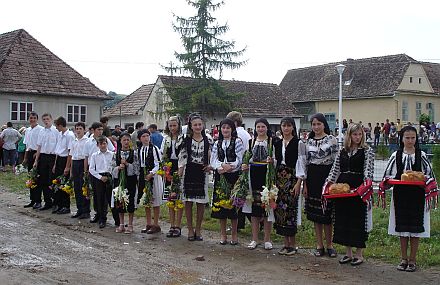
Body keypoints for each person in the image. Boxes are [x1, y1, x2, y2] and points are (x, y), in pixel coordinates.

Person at [379, 126, 437, 272]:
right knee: (403, 229)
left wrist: (424, 180)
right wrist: (388, 182)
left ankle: (413, 260)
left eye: (413, 138)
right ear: (402, 139)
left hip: (417, 196)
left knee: (416, 229)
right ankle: (403, 258)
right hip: (401, 195)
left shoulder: (421, 155)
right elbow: (387, 176)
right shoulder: (396, 155)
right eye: (407, 138)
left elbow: (430, 175)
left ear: (416, 139)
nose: (410, 141)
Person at [325, 123, 374, 265]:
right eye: (355, 134)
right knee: (343, 219)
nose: (357, 137)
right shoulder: (342, 151)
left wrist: (364, 188)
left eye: (359, 134)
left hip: (358, 189)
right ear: (349, 135)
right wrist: (328, 185)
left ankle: (359, 254)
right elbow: (335, 170)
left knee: (357, 220)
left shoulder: (367, 151)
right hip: (342, 189)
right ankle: (348, 253)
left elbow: (368, 170)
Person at [297, 113, 338, 257]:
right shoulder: (307, 142)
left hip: (327, 177)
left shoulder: (331, 140)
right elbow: (305, 164)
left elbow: (336, 162)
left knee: (327, 214)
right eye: (313, 124)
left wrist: (332, 182)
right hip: (312, 178)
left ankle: (330, 245)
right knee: (316, 215)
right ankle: (319, 244)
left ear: (324, 124)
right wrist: (305, 184)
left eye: (318, 124)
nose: (316, 127)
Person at [242, 118, 275, 250]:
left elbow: (277, 159)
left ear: (267, 128)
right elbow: (246, 158)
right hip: (253, 176)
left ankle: (267, 239)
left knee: (267, 207)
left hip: (266, 177)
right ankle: (254, 239)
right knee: (254, 210)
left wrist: (272, 161)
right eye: (258, 127)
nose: (260, 129)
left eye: (263, 127)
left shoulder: (272, 142)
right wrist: (244, 165)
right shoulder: (251, 142)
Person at [178, 113, 212, 241]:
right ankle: (190, 229)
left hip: (202, 171)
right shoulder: (185, 139)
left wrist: (210, 166)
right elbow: (182, 155)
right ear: (191, 126)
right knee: (188, 201)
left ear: (203, 125)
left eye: (200, 124)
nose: (198, 127)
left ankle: (198, 229)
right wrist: (180, 169)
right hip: (189, 170)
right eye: (195, 125)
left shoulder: (208, 139)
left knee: (201, 202)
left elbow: (213, 155)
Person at [210, 119, 243, 245]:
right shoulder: (217, 143)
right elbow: (213, 160)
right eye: (223, 127)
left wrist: (231, 166)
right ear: (220, 129)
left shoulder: (237, 141)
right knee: (221, 207)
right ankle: (223, 234)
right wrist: (222, 166)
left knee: (233, 206)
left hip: (233, 176)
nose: (225, 130)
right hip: (221, 176)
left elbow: (240, 159)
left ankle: (234, 234)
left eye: (228, 128)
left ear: (232, 129)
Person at [273, 117, 302, 256]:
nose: (286, 128)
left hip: (292, 177)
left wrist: (298, 182)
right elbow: (275, 162)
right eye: (283, 125)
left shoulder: (298, 143)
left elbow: (301, 163)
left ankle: (293, 244)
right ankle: (285, 243)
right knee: (280, 211)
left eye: (289, 125)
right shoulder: (277, 143)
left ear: (293, 128)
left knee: (291, 209)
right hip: (279, 178)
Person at [85, 122, 117, 224]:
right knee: (98, 196)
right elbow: (86, 157)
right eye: (98, 129)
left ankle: (114, 218)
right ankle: (99, 215)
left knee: (110, 197)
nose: (100, 131)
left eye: (101, 129)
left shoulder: (107, 141)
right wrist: (87, 171)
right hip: (96, 173)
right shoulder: (89, 142)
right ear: (93, 130)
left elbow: (113, 157)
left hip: (108, 174)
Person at [226, 111, 252, 230]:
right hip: (243, 166)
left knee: (238, 196)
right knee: (241, 196)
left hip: (238, 167)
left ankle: (241, 222)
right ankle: (240, 222)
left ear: (234, 123)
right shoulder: (246, 134)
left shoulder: (237, 134)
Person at [161, 116, 184, 238]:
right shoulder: (166, 139)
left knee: (178, 197)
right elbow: (162, 154)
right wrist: (165, 168)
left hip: (180, 167)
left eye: (175, 125)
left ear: (179, 126)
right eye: (170, 126)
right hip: (169, 167)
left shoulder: (183, 138)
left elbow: (184, 155)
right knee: (170, 197)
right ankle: (171, 225)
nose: (172, 128)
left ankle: (178, 225)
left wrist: (181, 170)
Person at [112, 132, 139, 233]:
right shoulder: (116, 153)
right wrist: (118, 168)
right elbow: (111, 167)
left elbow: (136, 169)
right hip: (119, 180)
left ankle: (130, 224)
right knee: (120, 200)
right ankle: (121, 224)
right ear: (120, 141)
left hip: (130, 180)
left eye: (128, 140)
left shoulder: (134, 153)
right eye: (124, 140)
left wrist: (127, 165)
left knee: (130, 200)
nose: (126, 142)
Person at [137, 129, 163, 234]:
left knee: (155, 201)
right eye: (143, 136)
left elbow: (158, 163)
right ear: (140, 138)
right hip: (144, 176)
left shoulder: (154, 148)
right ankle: (148, 223)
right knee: (146, 200)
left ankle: (156, 224)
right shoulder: (139, 149)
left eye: (147, 136)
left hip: (153, 176)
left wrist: (151, 173)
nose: (146, 138)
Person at [33, 113, 59, 211]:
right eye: (44, 119)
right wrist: (36, 160)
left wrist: (56, 162)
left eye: (47, 119)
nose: (46, 121)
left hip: (52, 157)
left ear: (51, 119)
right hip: (43, 157)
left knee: (52, 180)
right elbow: (39, 146)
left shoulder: (56, 131)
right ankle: (47, 202)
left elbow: (58, 146)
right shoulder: (41, 131)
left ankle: (55, 202)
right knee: (43, 180)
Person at [89, 136, 114, 229]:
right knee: (99, 198)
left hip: (109, 177)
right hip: (98, 177)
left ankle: (113, 218)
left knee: (109, 198)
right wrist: (100, 177)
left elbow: (113, 166)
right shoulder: (95, 155)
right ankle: (100, 217)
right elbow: (91, 169)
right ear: (98, 145)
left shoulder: (112, 154)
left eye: (104, 143)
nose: (103, 145)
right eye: (101, 144)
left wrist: (109, 176)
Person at [52, 116, 75, 214]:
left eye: (57, 126)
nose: (56, 128)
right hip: (59, 159)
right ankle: (59, 204)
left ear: (60, 125)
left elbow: (70, 152)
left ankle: (66, 206)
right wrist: (55, 164)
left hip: (65, 159)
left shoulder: (69, 135)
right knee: (57, 183)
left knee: (64, 184)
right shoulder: (60, 134)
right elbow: (58, 150)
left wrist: (67, 166)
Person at [69, 122, 90, 219]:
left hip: (83, 163)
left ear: (84, 130)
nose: (78, 130)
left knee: (84, 187)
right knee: (77, 187)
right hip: (75, 163)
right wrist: (71, 170)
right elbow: (72, 155)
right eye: (77, 129)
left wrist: (86, 170)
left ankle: (86, 210)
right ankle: (79, 209)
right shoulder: (74, 141)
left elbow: (87, 156)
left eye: (80, 128)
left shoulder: (87, 141)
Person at [23, 112, 43, 208]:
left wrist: (37, 154)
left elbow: (42, 143)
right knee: (31, 178)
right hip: (30, 153)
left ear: (37, 119)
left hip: (37, 154)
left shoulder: (41, 130)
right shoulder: (27, 130)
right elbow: (27, 145)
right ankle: (32, 199)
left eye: (34, 118)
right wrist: (25, 157)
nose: (32, 120)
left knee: (37, 178)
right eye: (31, 118)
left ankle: (38, 200)